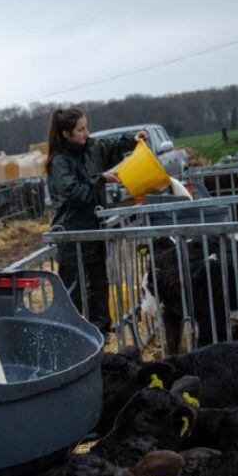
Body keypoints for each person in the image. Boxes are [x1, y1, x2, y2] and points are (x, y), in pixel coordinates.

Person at [44, 108, 146, 332]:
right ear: (65, 134)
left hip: (94, 226)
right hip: (72, 232)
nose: (86, 133)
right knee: (73, 288)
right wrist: (100, 179)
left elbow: (112, 145)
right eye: (80, 130)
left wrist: (132, 139)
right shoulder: (59, 161)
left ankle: (102, 331)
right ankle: (70, 333)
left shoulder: (91, 147)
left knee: (99, 283)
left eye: (86, 127)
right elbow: (73, 193)